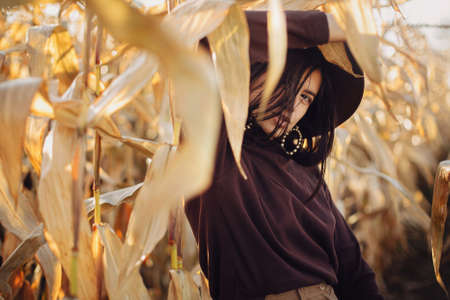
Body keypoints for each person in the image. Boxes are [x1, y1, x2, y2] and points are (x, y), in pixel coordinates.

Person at [185, 9, 384, 300]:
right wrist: (329, 26)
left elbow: (353, 269)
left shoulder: (304, 171)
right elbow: (214, 32)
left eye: (305, 97)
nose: (293, 107)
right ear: (249, 72)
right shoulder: (218, 149)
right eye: (284, 82)